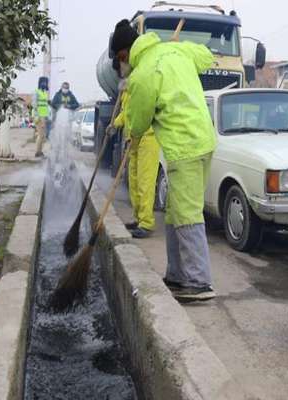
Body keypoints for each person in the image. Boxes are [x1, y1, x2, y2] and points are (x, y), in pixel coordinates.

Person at [111, 19, 217, 302]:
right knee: (173, 210)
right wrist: (181, 49)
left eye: (120, 62)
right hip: (203, 140)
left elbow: (139, 120)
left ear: (124, 55)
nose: (123, 68)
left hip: (185, 146)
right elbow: (207, 57)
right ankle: (177, 275)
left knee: (187, 213)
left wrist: (130, 128)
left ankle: (199, 282)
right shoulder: (176, 53)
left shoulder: (143, 73)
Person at [113, 83, 160, 239]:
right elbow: (127, 112)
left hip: (147, 137)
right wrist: (114, 124)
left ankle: (146, 223)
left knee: (144, 182)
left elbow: (140, 110)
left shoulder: (139, 84)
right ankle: (138, 218)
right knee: (133, 182)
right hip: (132, 139)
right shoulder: (126, 91)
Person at [33, 77, 50, 157]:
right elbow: (35, 104)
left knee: (43, 136)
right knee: (40, 135)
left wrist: (47, 116)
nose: (44, 84)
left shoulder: (45, 93)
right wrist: (37, 116)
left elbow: (45, 106)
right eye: (43, 82)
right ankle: (37, 152)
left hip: (44, 116)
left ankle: (40, 151)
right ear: (40, 83)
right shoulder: (37, 92)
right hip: (39, 116)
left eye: (45, 82)